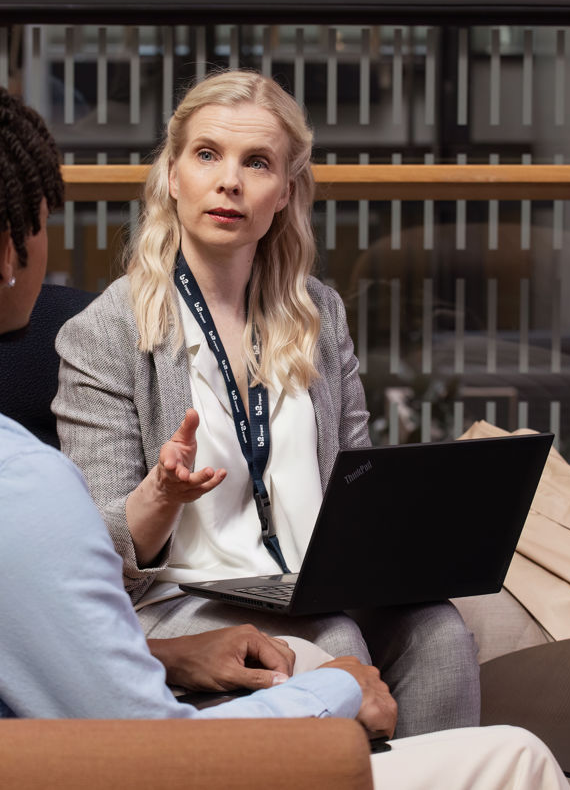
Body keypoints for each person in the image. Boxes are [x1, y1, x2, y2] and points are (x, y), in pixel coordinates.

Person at [0, 73, 567, 789]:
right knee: (521, 755)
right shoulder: (6, 481)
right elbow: (149, 743)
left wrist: (186, 660)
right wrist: (332, 693)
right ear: (12, 250)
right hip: (62, 759)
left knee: (428, 640)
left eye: (256, 162)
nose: (229, 181)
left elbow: (51, 653)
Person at [53, 70, 479, 738]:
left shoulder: (319, 314)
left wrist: (410, 535)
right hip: (187, 599)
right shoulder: (108, 331)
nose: (230, 181)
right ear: (171, 174)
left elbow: (356, 481)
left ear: (284, 191)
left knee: (442, 635)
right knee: (336, 638)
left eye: (257, 163)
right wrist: (161, 495)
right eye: (206, 155)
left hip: (314, 581)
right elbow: (93, 552)